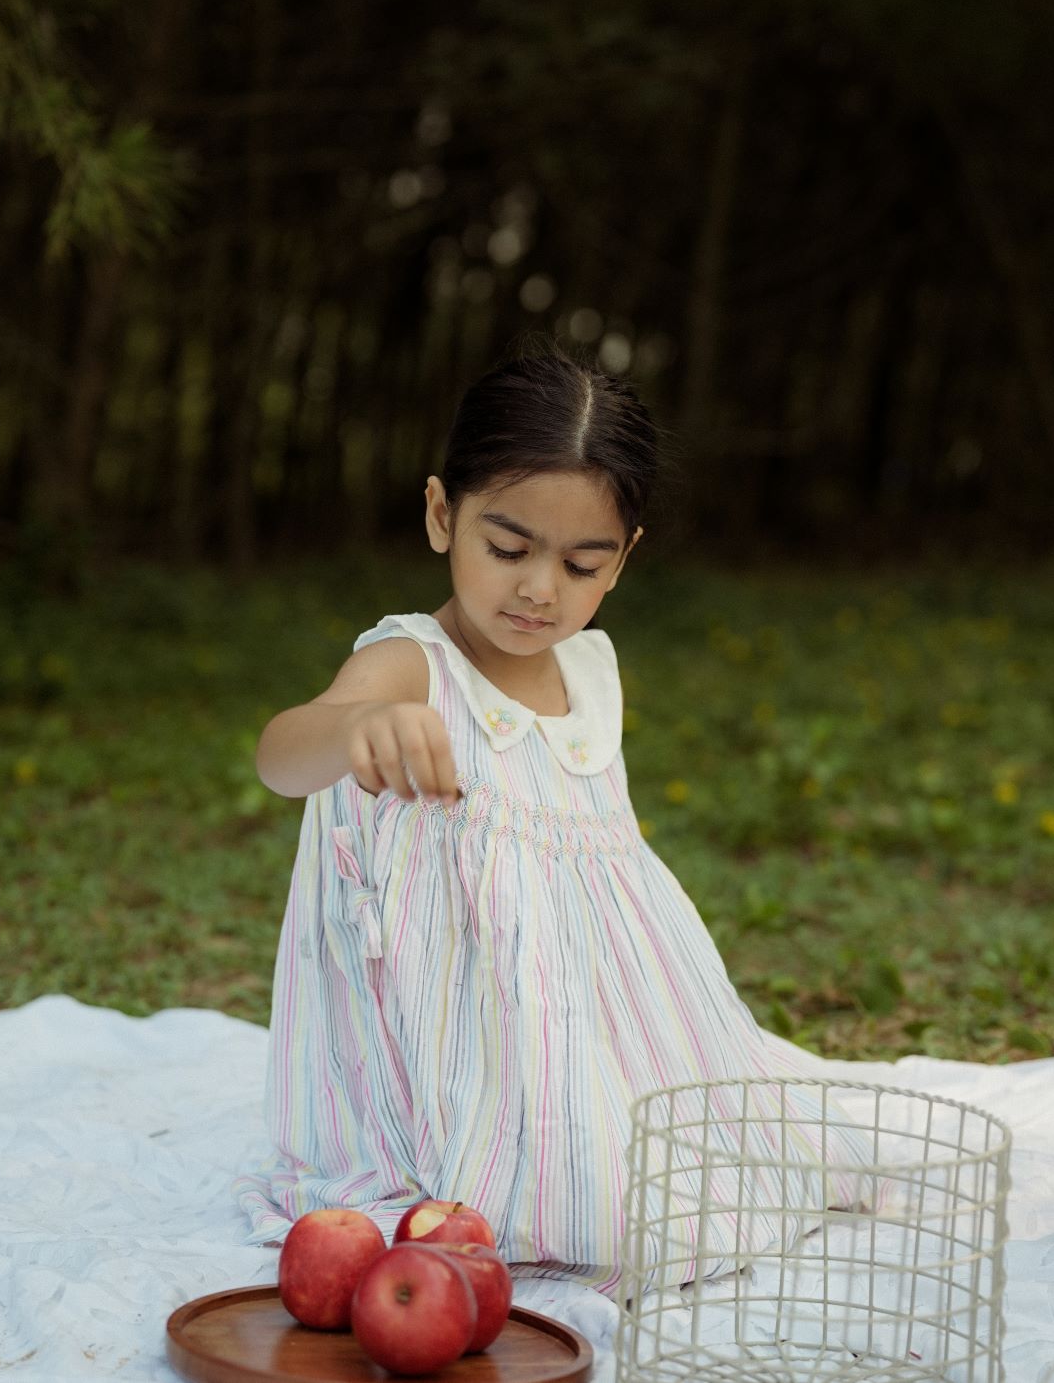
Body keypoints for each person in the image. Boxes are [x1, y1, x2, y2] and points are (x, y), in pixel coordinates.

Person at [232, 341, 878, 1299]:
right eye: (508, 547)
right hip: (445, 1023)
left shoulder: (589, 668)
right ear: (441, 512)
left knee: (718, 1148)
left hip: (587, 999)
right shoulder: (414, 662)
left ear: (624, 563)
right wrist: (358, 724)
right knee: (582, 1204)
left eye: (582, 563)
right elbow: (283, 752)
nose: (540, 589)